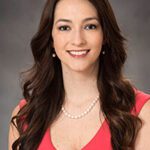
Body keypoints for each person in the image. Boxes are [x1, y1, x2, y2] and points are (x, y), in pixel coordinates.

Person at [8, 0, 150, 149]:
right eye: (64, 27)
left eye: (90, 26)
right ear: (51, 39)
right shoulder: (24, 118)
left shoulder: (142, 113)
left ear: (105, 35)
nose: (78, 40)